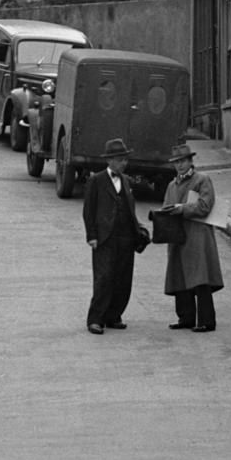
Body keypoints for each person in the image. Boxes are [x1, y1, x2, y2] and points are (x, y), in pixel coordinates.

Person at [80, 137, 148, 333]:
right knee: (104, 278)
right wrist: (91, 236)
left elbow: (130, 209)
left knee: (123, 278)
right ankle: (95, 319)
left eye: (125, 159)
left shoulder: (126, 181)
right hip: (104, 237)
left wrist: (138, 229)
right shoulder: (96, 180)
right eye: (120, 159)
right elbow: (88, 211)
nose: (124, 163)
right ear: (109, 160)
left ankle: (114, 315)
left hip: (126, 236)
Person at [158, 140, 223, 331]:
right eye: (176, 162)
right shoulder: (171, 185)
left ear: (190, 161)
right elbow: (166, 206)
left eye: (183, 161)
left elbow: (205, 206)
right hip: (178, 235)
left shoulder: (202, 180)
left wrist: (182, 209)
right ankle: (185, 318)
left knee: (199, 276)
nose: (179, 165)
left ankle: (206, 320)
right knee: (180, 275)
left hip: (197, 235)